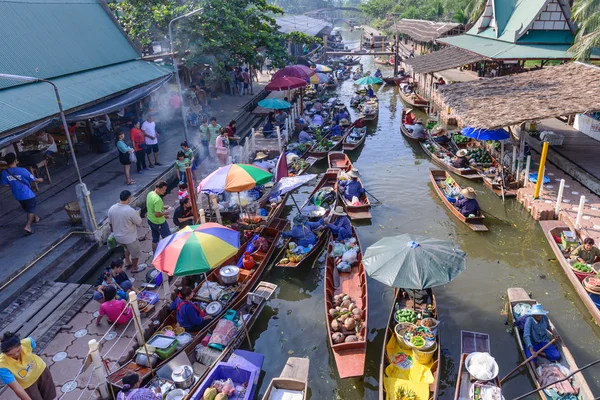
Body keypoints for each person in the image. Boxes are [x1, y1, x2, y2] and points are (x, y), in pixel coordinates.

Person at [0, 332, 56, 400]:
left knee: (50, 396)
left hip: (41, 371)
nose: (16, 355)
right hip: (27, 384)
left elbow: (32, 346)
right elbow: (16, 388)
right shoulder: (2, 365)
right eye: (10, 354)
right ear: (4, 353)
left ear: (20, 344)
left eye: (18, 350)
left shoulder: (28, 342)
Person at [1, 153, 43, 235]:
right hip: (27, 194)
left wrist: (13, 184)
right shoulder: (22, 170)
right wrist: (41, 179)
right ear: (15, 160)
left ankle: (36, 218)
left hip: (17, 195)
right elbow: (34, 179)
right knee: (31, 208)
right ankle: (28, 226)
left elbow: (4, 184)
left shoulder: (4, 173)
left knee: (28, 207)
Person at [108, 190, 143, 272]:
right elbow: (139, 222)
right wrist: (138, 213)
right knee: (136, 253)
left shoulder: (112, 209)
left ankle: (127, 262)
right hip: (129, 238)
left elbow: (110, 224)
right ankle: (135, 268)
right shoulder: (130, 211)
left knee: (126, 249)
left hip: (118, 237)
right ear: (128, 198)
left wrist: (113, 231)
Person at [146, 181, 171, 252]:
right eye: (163, 190)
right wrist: (165, 213)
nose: (164, 192)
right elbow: (157, 214)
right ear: (157, 188)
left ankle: (155, 254)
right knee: (167, 238)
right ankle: (168, 253)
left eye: (165, 190)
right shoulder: (158, 199)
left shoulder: (150, 194)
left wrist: (163, 207)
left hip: (150, 220)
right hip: (159, 222)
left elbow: (153, 206)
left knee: (155, 239)